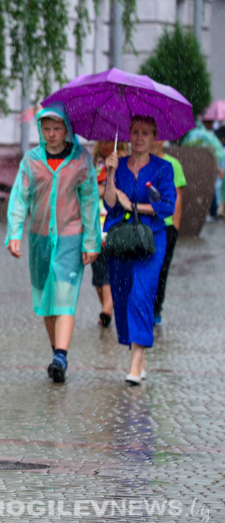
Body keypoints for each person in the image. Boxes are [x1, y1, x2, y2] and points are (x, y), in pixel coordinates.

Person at [6, 104, 100, 384]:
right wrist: (14, 234)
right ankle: (57, 353)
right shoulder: (31, 161)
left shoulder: (81, 160)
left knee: (64, 298)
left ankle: (61, 355)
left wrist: (91, 242)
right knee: (46, 300)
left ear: (67, 129)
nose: (51, 133)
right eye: (46, 128)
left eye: (57, 128)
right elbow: (20, 198)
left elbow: (90, 202)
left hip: (71, 236)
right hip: (40, 238)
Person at [103, 115, 176, 385]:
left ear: (154, 136)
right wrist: (111, 174)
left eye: (146, 133)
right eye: (135, 132)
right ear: (129, 134)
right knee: (122, 296)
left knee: (141, 295)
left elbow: (166, 206)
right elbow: (110, 204)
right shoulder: (118, 164)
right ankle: (138, 352)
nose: (139, 138)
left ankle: (135, 364)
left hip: (151, 240)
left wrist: (133, 206)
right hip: (122, 239)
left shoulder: (163, 168)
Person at [90, 141, 128, 328]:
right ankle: (107, 308)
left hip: (115, 223)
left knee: (109, 271)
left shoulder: (124, 163)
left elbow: (125, 191)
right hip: (94, 224)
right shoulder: (93, 164)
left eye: (109, 142)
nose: (106, 146)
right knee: (98, 274)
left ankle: (107, 309)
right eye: (103, 142)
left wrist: (107, 189)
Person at [151, 139, 187, 328]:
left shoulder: (173, 164)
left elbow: (178, 196)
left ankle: (156, 308)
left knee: (162, 268)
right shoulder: (140, 163)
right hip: (145, 223)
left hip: (166, 225)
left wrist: (175, 226)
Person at [181, 117, 225, 220]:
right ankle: (214, 211)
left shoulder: (195, 135)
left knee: (210, 189)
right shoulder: (206, 136)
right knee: (213, 189)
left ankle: (213, 211)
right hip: (210, 165)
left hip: (203, 167)